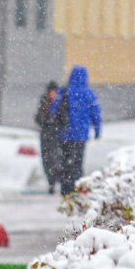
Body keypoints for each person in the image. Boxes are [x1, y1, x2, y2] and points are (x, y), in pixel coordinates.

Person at [49, 65, 102, 196]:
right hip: (81, 134)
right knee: (78, 161)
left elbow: (54, 110)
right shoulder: (89, 93)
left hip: (65, 133)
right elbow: (96, 113)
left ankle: (66, 187)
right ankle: (77, 186)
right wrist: (97, 129)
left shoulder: (64, 91)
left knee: (66, 160)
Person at [34, 82, 62, 194]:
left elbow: (63, 119)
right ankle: (51, 181)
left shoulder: (61, 102)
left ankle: (57, 179)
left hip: (56, 136)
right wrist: (46, 120)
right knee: (47, 160)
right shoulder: (44, 102)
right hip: (46, 135)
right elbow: (38, 118)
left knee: (57, 158)